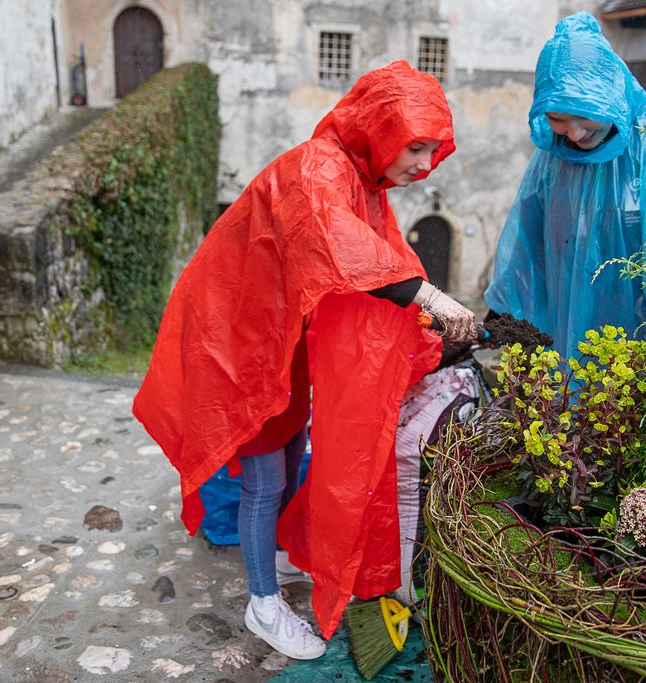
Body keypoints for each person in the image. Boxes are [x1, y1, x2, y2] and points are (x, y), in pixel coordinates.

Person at [132, 60, 476, 661]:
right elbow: (348, 252)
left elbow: (382, 261)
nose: (424, 165)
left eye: (430, 150)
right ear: (380, 131)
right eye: (415, 148)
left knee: (291, 457)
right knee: (264, 481)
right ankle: (262, 603)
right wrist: (434, 300)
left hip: (280, 339)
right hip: (239, 343)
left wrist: (425, 321)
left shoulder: (360, 179)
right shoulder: (318, 169)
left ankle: (274, 559)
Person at [485, 12, 646, 356]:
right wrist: (501, 319)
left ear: (609, 94)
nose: (575, 134)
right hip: (570, 350)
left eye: (584, 114)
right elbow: (525, 250)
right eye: (558, 119)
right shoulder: (552, 156)